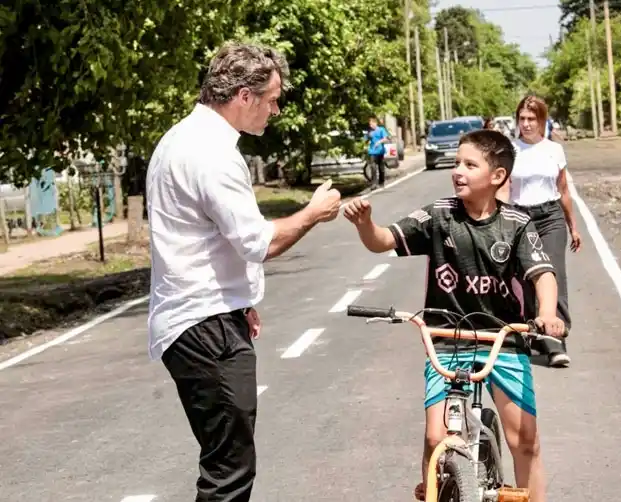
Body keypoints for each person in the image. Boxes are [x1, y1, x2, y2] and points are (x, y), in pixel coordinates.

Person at [145, 41, 341, 501]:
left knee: (227, 460)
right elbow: (259, 242)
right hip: (204, 324)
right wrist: (313, 212)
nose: (275, 110)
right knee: (229, 469)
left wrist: (240, 298)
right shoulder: (211, 152)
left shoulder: (181, 138)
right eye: (271, 99)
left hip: (202, 316)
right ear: (243, 96)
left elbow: (203, 238)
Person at [343, 129, 564, 502]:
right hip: (446, 342)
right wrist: (365, 223)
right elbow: (382, 240)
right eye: (457, 163)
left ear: (497, 176)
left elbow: (543, 275)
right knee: (436, 438)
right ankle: (434, 488)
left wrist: (547, 314)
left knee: (524, 439)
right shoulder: (439, 215)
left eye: (469, 164)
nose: (458, 170)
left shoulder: (516, 224)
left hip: (503, 340)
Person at [498, 95, 581, 368]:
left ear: (542, 120)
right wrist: (499, 220)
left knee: (554, 275)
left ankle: (557, 341)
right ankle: (534, 333)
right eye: (522, 118)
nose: (526, 124)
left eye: (531, 119)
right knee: (527, 280)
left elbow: (564, 190)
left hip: (551, 217)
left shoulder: (554, 150)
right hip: (521, 218)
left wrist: (573, 225)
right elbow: (505, 188)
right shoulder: (511, 150)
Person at [365, 116, 389, 187]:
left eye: (371, 124)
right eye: (370, 124)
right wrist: (368, 138)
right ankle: (374, 183)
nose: (370, 126)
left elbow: (385, 139)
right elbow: (366, 140)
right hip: (372, 151)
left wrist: (379, 142)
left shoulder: (381, 130)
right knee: (373, 167)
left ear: (375, 123)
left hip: (380, 151)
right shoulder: (370, 132)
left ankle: (381, 182)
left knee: (381, 168)